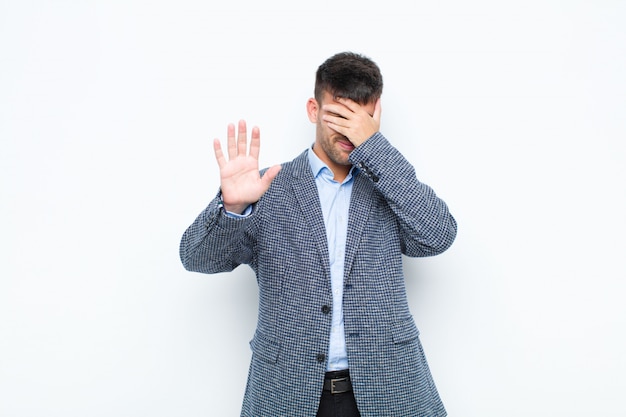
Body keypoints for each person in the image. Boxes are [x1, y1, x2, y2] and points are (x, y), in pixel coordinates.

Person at [179, 51, 457, 417]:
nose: (349, 132)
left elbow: (438, 235)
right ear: (314, 110)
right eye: (340, 116)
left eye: (363, 120)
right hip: (288, 391)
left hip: (387, 386)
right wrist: (233, 209)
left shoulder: (389, 185)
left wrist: (375, 149)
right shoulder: (268, 188)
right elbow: (198, 258)